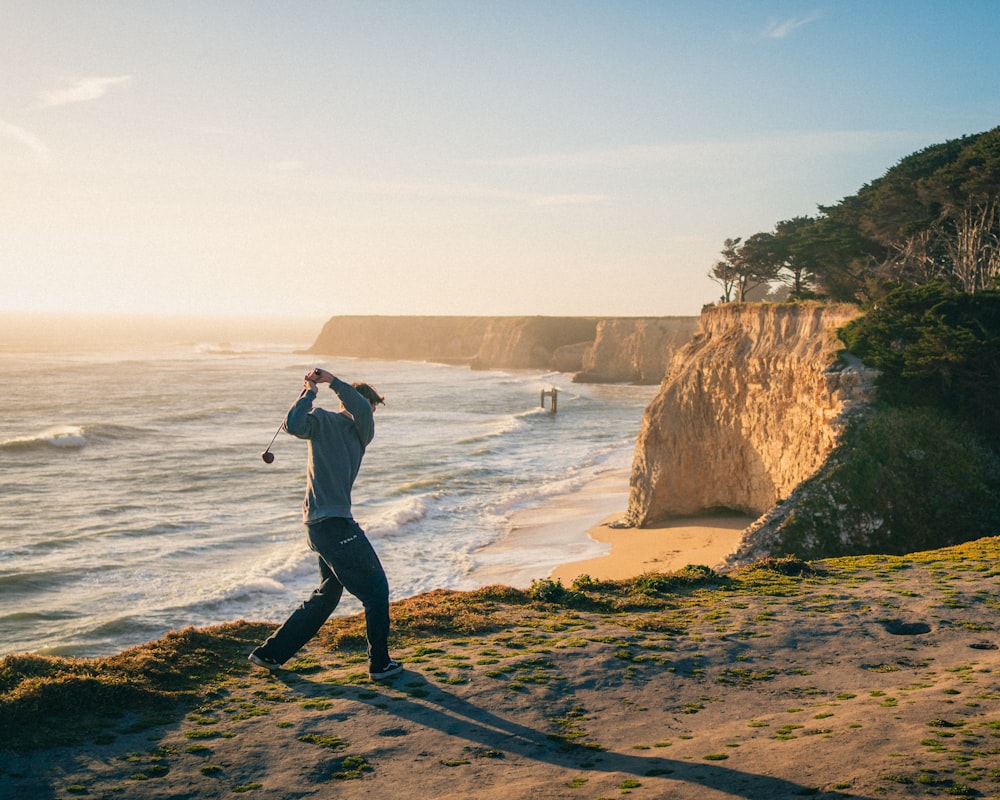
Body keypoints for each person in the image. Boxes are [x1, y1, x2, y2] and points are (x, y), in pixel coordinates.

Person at [248, 367, 402, 681]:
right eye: (373, 405)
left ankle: (270, 653)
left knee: (328, 594)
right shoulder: (324, 420)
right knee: (376, 591)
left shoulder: (360, 431)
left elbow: (356, 407)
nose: (372, 412)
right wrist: (313, 389)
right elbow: (292, 424)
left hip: (317, 526)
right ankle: (380, 664)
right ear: (366, 402)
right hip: (335, 525)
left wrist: (327, 386)